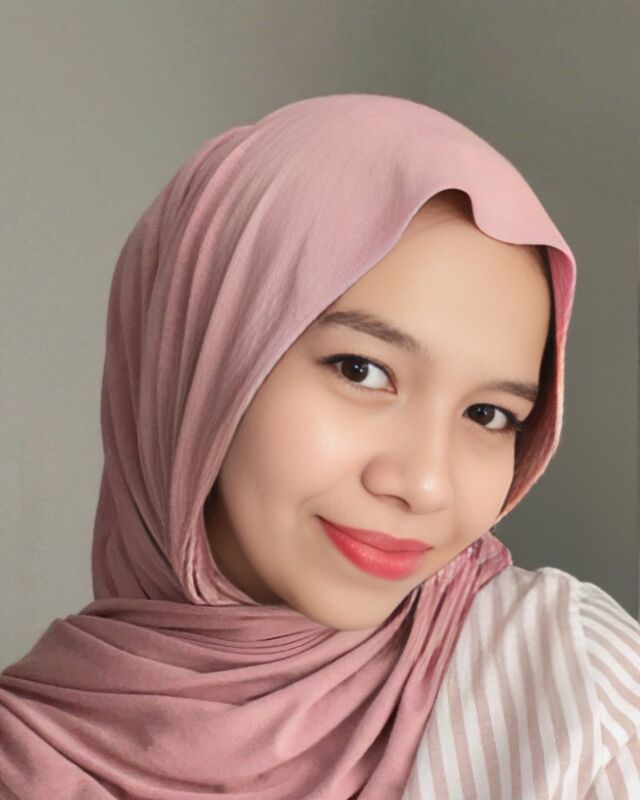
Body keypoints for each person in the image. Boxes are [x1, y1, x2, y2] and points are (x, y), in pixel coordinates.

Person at [0, 93, 637, 798]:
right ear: (198, 361)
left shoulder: (585, 699)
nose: (424, 484)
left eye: (488, 414)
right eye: (361, 371)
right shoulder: (25, 759)